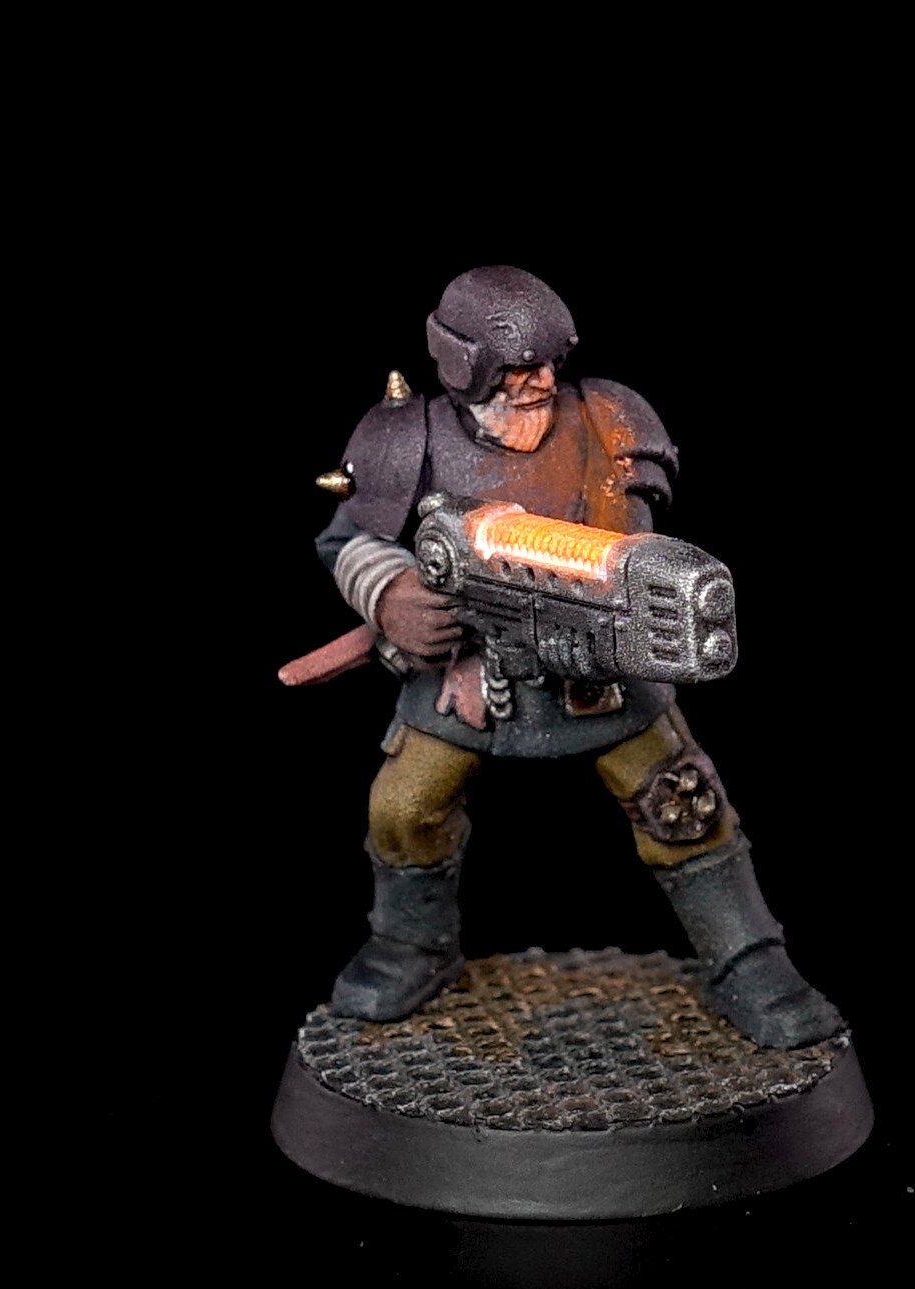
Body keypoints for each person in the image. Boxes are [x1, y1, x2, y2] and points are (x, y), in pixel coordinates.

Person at [312, 266, 843, 1050]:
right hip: (467, 669)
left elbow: (635, 543)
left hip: (600, 672)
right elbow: (347, 540)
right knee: (401, 808)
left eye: (549, 364)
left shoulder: (605, 421)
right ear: (464, 364)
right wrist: (390, 595)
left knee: (683, 804)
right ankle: (410, 944)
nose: (540, 382)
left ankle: (747, 958)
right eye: (519, 369)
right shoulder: (405, 440)